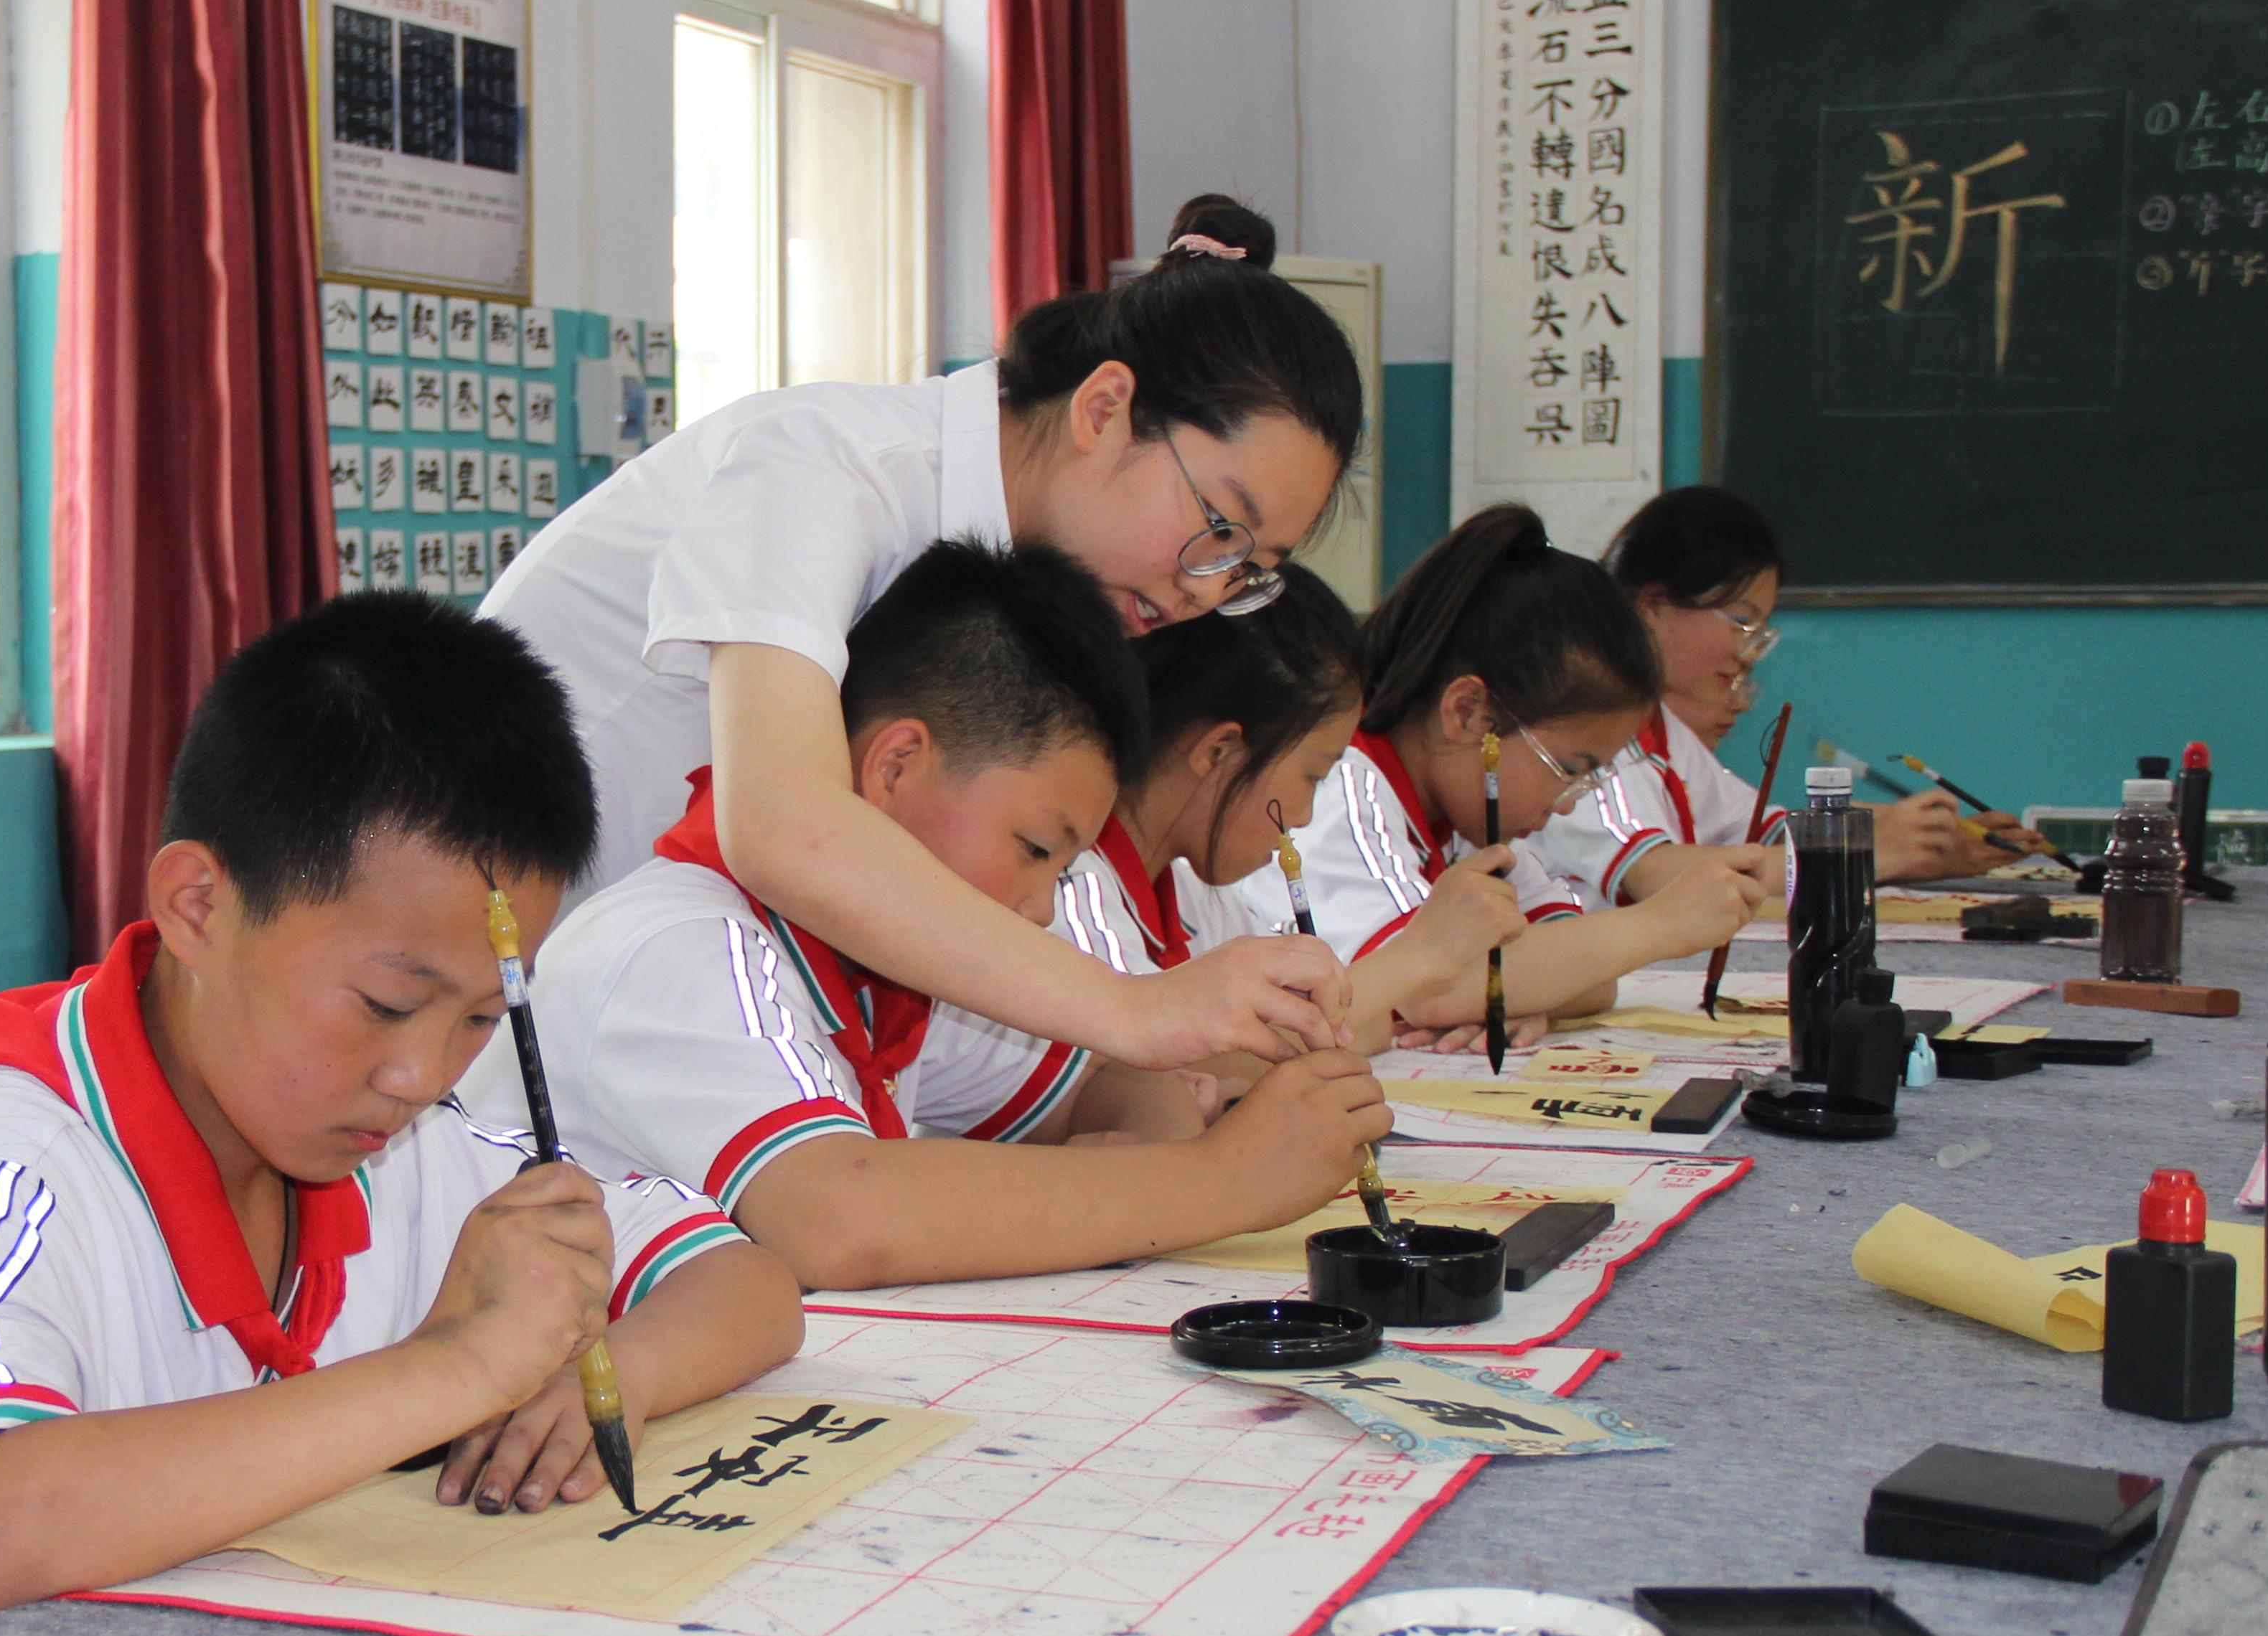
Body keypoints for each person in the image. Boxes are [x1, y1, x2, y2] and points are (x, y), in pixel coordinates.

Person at [0, 596, 802, 1636]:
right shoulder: (21, 1175)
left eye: (480, 1020)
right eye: (388, 1005)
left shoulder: (402, 1148)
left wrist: (618, 1376)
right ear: (197, 906)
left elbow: (746, 1282)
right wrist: (454, 1367)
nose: (421, 1076)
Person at [479, 194, 1362, 1084]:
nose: (1206, 588)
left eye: (1251, 569)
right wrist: (1133, 1010)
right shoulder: (827, 469)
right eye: (1220, 525)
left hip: (645, 1001)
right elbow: (782, 829)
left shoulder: (1041, 584)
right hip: (496, 981)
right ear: (1103, 410)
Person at [474, 540, 1388, 1294]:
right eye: (1036, 848)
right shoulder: (685, 945)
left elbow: (1097, 1087)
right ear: (896, 766)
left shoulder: (887, 970)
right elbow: (840, 1219)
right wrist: (1218, 1182)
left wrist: (1148, 1149)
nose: (1040, 910)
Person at [1286, 507, 1771, 1028]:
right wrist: (1663, 925)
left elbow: (1592, 981)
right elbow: (1430, 990)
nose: (1565, 805)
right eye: (1566, 769)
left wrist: (1525, 991)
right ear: (1467, 712)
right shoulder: (1345, 788)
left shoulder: (1471, 818)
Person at [1068, 565, 1524, 1055]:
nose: (1305, 817)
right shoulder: (1078, 893)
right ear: (1218, 752)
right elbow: (1179, 1071)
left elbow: (1344, 1028)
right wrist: (1421, 955)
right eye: (1314, 776)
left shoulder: (1196, 897)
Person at [1536, 485, 2015, 896]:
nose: (1750, 654)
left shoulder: (1661, 730)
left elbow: (1763, 835)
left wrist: (1920, 840)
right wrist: (1859, 852)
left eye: (1761, 631)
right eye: (1742, 622)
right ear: (1654, 606)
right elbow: (1656, 876)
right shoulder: (1582, 724)